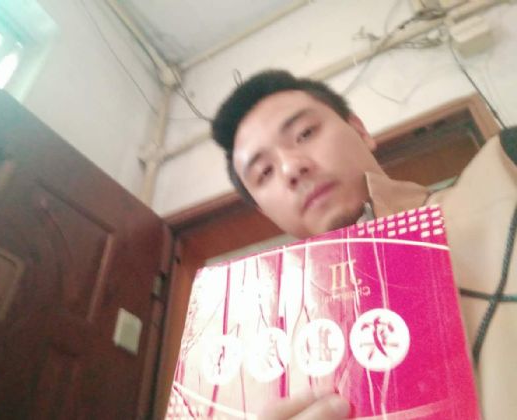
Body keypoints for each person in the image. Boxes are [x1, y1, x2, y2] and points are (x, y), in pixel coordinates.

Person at [211, 70, 517, 419]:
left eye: (305, 133)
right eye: (264, 173)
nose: (291, 168)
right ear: (265, 212)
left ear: (360, 130)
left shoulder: (505, 171)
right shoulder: (286, 360)